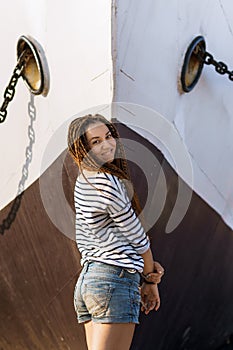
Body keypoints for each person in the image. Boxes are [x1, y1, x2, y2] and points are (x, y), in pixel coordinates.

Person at [67, 114, 164, 350]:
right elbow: (136, 236)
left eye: (108, 136)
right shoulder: (106, 182)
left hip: (89, 284)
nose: (107, 144)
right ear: (82, 149)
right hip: (113, 282)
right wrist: (150, 277)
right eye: (96, 142)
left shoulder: (84, 181)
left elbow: (112, 236)